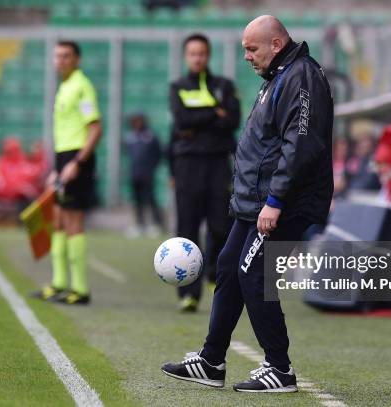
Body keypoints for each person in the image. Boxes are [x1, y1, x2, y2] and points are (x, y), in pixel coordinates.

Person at [162, 15, 333, 392]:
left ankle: (279, 368)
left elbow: (300, 146)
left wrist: (275, 200)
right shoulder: (278, 77)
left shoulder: (301, 77)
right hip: (255, 201)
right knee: (227, 265)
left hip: (280, 202)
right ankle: (211, 360)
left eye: (252, 49)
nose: (246, 57)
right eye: (243, 50)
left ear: (276, 44)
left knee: (253, 271)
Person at [168, 33, 241, 312]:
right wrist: (214, 114)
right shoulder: (178, 87)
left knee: (221, 226)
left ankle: (213, 273)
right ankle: (189, 293)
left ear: (208, 55)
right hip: (188, 166)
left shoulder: (224, 86)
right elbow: (181, 120)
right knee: (187, 229)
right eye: (192, 54)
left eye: (202, 53)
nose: (197, 58)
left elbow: (232, 120)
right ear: (187, 56)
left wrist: (198, 121)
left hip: (218, 164)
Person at [31, 41, 102, 305]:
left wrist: (77, 163)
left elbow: (95, 128)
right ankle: (59, 283)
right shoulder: (64, 87)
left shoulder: (82, 86)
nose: (60, 61)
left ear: (77, 59)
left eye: (66, 56)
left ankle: (80, 289)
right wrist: (57, 168)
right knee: (58, 220)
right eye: (57, 56)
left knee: (72, 221)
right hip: (64, 159)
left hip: (77, 158)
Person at [124, 112, 164, 238]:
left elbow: (159, 153)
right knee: (137, 201)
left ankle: (157, 224)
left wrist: (152, 167)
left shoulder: (151, 136)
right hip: (134, 173)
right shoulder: (130, 137)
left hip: (148, 174)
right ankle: (139, 225)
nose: (137, 123)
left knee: (151, 199)